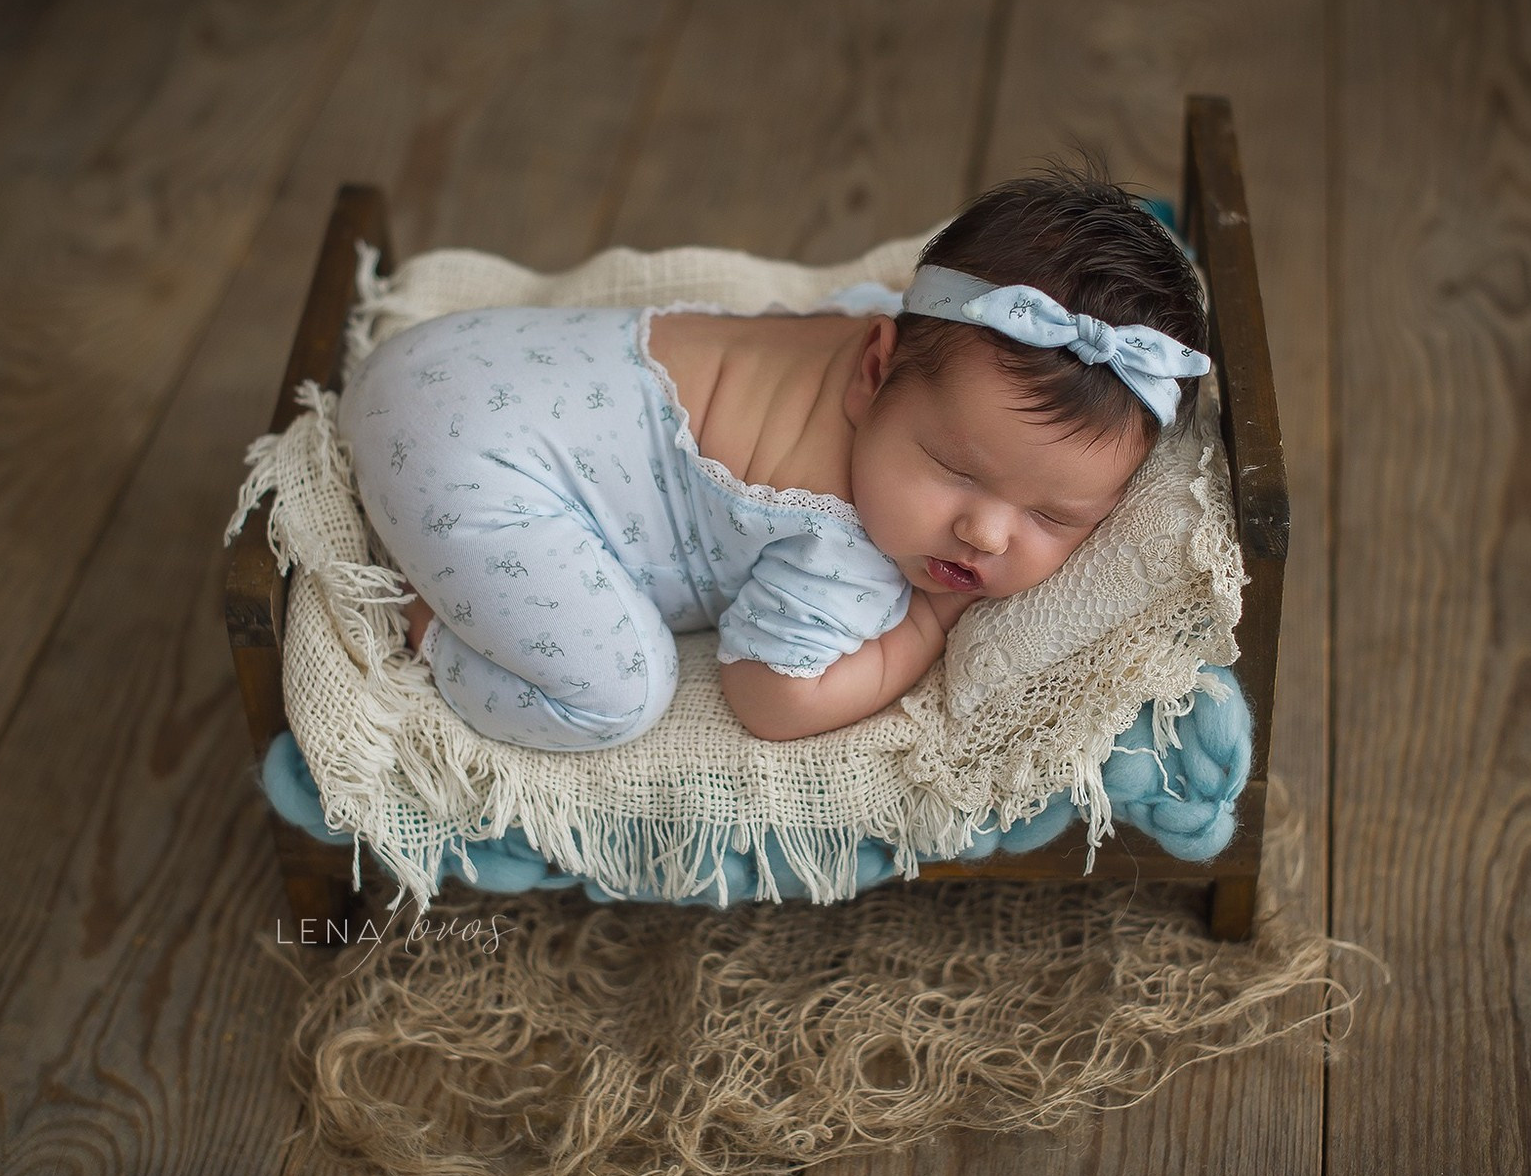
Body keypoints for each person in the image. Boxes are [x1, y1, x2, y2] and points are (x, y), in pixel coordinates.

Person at [336, 159, 1210, 750]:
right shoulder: (844, 550)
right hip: (463, 466)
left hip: (450, 360)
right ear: (874, 369)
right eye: (956, 469)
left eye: (1053, 516)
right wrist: (927, 624)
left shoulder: (897, 334)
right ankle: (425, 619)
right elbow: (772, 698)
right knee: (616, 697)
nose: (982, 532)